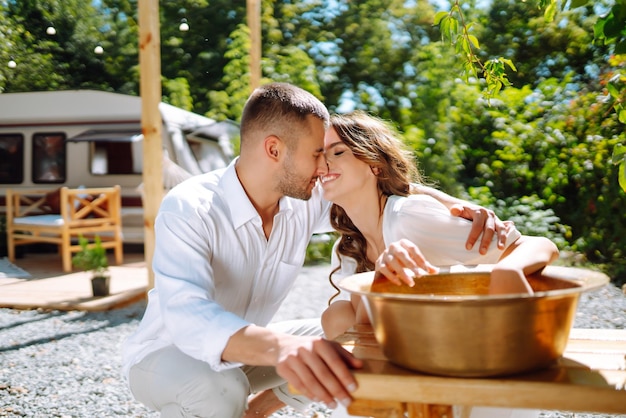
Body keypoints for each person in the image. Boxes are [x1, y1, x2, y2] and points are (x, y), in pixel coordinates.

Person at [122, 83, 511, 418]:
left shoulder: (302, 198)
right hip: (166, 356)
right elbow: (187, 315)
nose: (324, 167)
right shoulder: (190, 206)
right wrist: (285, 348)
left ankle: (262, 405)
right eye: (315, 154)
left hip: (245, 352)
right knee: (219, 390)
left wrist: (451, 203)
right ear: (274, 150)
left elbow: (370, 187)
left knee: (352, 340)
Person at [319, 111, 560, 341]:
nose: (323, 164)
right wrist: (379, 282)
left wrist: (507, 271)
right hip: (414, 347)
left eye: (338, 152)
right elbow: (364, 328)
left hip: (468, 337)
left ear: (375, 165)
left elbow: (535, 244)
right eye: (320, 155)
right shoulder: (346, 249)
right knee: (336, 315)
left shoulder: (409, 216)